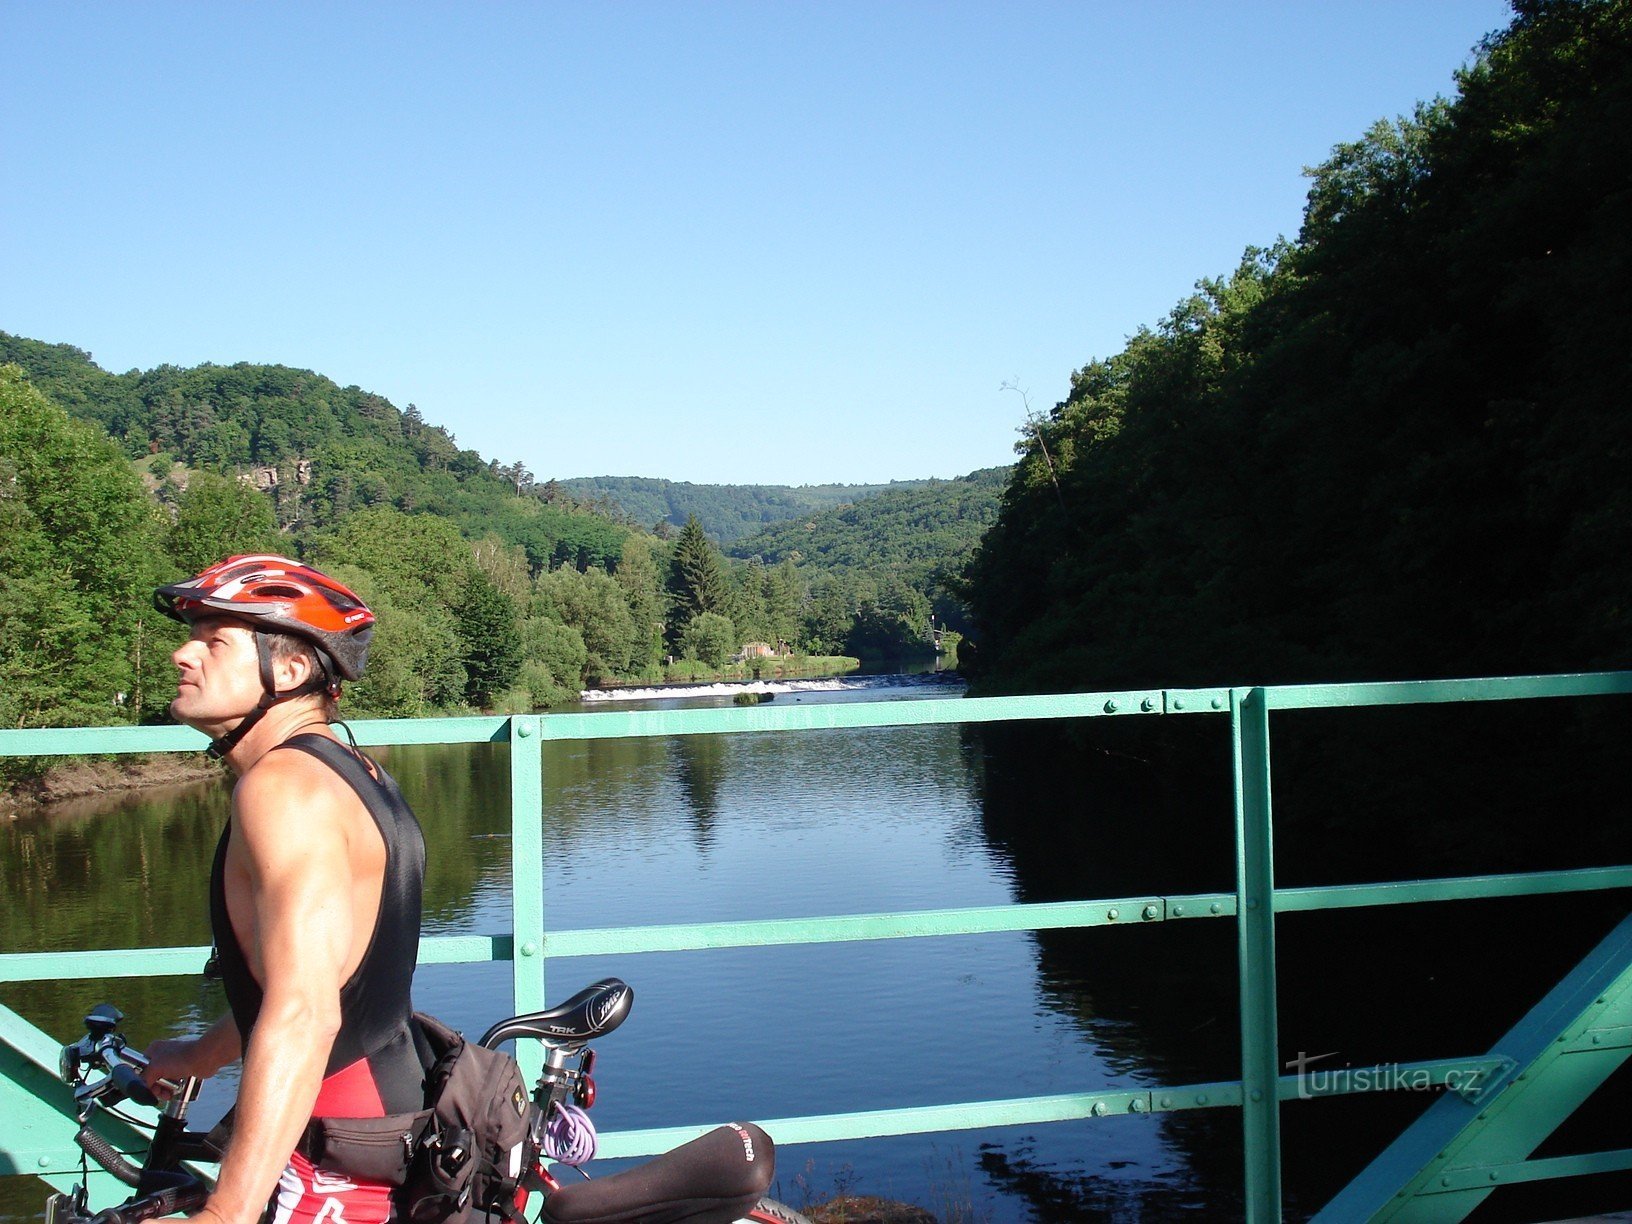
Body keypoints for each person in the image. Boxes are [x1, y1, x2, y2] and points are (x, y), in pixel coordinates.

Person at [140, 555, 427, 1224]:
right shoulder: (355, 771)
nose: (182, 655)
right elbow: (308, 985)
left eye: (214, 642)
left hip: (333, 1159)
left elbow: (305, 1015)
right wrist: (194, 1056)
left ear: (291, 671)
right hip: (381, 1114)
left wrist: (227, 1213)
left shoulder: (282, 790)